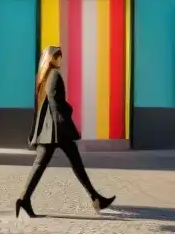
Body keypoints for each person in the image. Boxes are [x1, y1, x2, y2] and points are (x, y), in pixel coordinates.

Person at [15, 45, 116, 218]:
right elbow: (56, 101)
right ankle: (95, 198)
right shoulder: (54, 74)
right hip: (57, 128)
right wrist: (67, 115)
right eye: (57, 56)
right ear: (50, 59)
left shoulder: (44, 75)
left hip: (49, 129)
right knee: (74, 162)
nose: (60, 59)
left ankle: (24, 199)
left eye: (60, 56)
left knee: (41, 165)